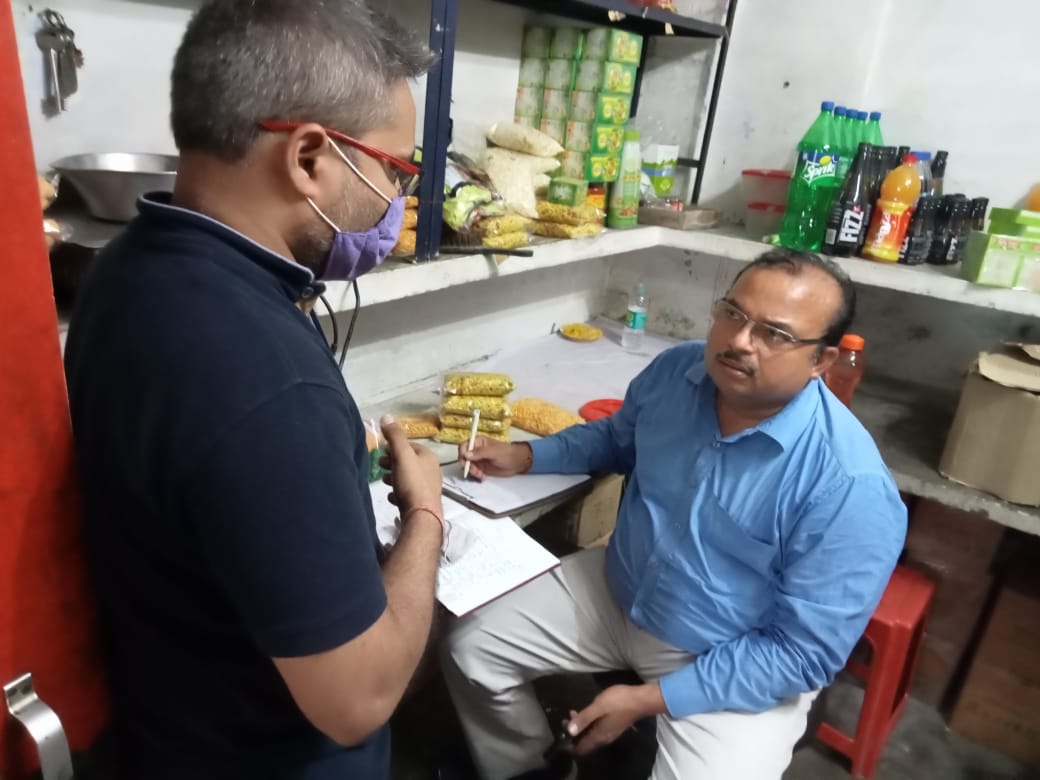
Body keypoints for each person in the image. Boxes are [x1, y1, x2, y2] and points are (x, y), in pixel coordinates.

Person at [63, 2, 443, 777]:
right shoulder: (269, 381)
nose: (394, 203)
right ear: (309, 158)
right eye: (394, 170)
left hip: (167, 725)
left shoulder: (128, 266)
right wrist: (426, 516)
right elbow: (357, 698)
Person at [444, 249, 908, 780]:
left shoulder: (849, 487)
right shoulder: (676, 371)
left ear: (822, 361)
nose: (739, 341)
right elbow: (617, 437)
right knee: (470, 650)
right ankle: (532, 770)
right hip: (619, 590)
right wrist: (527, 456)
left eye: (774, 334)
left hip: (731, 651)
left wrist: (648, 700)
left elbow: (802, 653)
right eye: (733, 313)